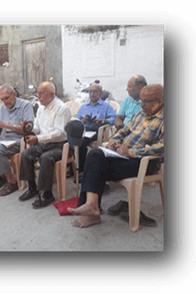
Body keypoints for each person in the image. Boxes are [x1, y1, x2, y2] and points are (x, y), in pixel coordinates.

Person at [67, 84, 164, 228]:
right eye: (141, 100)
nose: (142, 105)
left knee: (96, 163)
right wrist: (114, 140)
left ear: (161, 100)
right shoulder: (141, 114)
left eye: (146, 101)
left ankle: (91, 212)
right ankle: (91, 207)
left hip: (144, 163)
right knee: (94, 155)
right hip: (125, 157)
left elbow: (162, 147)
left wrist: (130, 152)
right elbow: (124, 131)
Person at [18, 81, 72, 208]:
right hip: (45, 143)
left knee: (46, 158)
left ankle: (46, 194)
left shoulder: (61, 108)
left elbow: (59, 132)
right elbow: (37, 127)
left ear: (52, 94)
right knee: (26, 154)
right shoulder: (41, 107)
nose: (38, 96)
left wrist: (37, 138)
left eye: (41, 93)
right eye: (38, 92)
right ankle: (32, 188)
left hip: (60, 145)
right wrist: (29, 128)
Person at [0, 83, 34, 196]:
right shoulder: (3, 108)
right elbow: (0, 130)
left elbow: (27, 130)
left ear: (14, 94)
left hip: (19, 139)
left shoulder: (25, 105)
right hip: (4, 139)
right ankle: (1, 176)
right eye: (2, 99)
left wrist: (5, 125)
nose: (5, 102)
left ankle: (11, 181)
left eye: (7, 98)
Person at [76, 83, 117, 173]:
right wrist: (83, 120)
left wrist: (102, 121)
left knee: (80, 142)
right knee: (71, 140)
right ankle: (74, 167)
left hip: (98, 131)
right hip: (85, 130)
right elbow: (77, 120)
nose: (92, 94)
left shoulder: (105, 106)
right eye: (90, 92)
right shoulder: (84, 106)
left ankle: (81, 170)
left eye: (95, 92)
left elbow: (114, 118)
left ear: (100, 93)